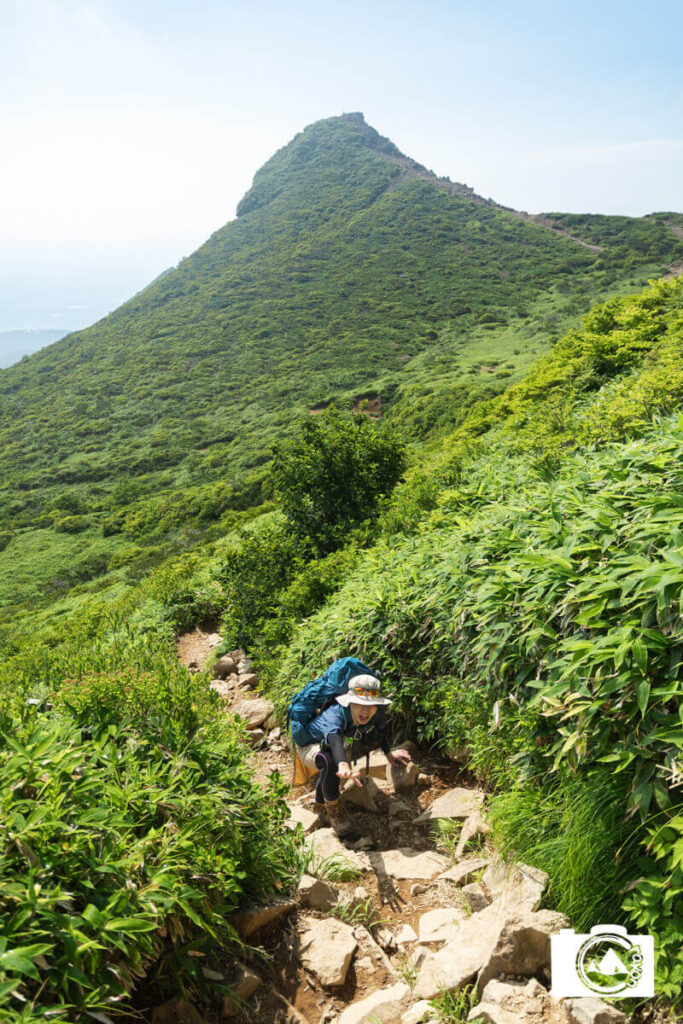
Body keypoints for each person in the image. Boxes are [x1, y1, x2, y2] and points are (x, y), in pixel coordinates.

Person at [293, 674, 412, 839]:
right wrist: (343, 764)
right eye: (360, 704)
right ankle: (335, 813)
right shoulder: (334, 716)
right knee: (330, 760)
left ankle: (319, 804)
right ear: (349, 702)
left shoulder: (374, 711)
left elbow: (378, 732)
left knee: (331, 761)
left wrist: (389, 753)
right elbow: (334, 740)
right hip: (309, 745)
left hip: (336, 742)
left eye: (370, 705)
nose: (366, 710)